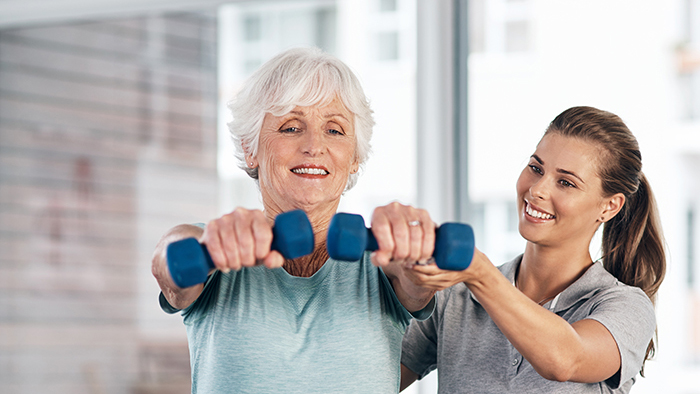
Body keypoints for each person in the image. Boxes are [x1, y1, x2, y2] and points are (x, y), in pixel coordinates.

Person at [150, 47, 438, 393]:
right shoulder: (217, 246)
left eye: (334, 130)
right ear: (250, 148)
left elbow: (418, 283)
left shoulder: (383, 261)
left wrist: (418, 245)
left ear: (355, 158)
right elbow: (171, 260)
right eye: (290, 127)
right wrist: (201, 245)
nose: (314, 146)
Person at [397, 106, 666, 393]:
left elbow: (565, 360)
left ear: (609, 206)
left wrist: (479, 275)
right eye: (536, 168)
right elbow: (368, 379)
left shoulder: (626, 307)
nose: (537, 189)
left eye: (566, 182)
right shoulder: (457, 298)